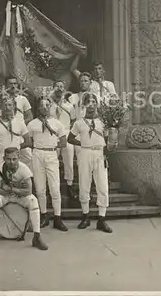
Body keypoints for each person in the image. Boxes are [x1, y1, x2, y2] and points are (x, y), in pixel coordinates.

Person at [0, 147, 48, 251]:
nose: (11, 162)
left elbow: (28, 191)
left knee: (33, 201)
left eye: (14, 159)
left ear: (19, 157)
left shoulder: (24, 169)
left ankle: (37, 237)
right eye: (8, 159)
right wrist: (18, 188)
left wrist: (12, 189)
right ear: (4, 158)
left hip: (17, 195)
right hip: (6, 196)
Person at [67, 92, 112, 233]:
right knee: (84, 184)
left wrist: (106, 153)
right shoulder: (79, 123)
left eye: (93, 102)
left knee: (102, 186)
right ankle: (85, 216)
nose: (91, 105)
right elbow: (69, 138)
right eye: (88, 102)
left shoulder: (103, 122)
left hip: (99, 153)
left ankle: (101, 219)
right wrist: (83, 143)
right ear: (84, 105)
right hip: (85, 153)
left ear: (97, 104)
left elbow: (108, 140)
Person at [28, 97, 68, 231]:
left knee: (55, 189)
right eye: (42, 105)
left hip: (51, 154)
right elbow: (28, 140)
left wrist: (52, 146)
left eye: (47, 105)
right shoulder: (32, 124)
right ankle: (44, 216)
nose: (44, 108)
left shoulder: (57, 123)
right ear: (38, 108)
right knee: (40, 189)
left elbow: (63, 141)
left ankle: (58, 218)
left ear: (50, 107)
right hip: (37, 154)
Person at [0, 76, 33, 168]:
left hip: (21, 132)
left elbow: (30, 116)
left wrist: (20, 126)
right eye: (10, 84)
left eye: (15, 83)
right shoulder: (2, 101)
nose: (13, 86)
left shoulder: (23, 99)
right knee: (7, 156)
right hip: (6, 132)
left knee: (28, 157)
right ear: (6, 85)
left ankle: (25, 178)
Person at [0, 94, 31, 173]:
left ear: (14, 106)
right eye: (4, 105)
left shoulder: (20, 123)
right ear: (0, 107)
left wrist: (15, 148)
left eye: (9, 105)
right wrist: (2, 147)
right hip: (0, 157)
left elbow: (28, 142)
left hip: (15, 158)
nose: (7, 108)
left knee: (16, 180)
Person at [50, 80, 77, 199]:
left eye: (61, 86)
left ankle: (69, 185)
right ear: (53, 88)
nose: (59, 89)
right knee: (52, 161)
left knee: (69, 161)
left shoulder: (69, 106)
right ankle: (51, 185)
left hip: (66, 133)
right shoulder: (48, 104)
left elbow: (74, 120)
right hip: (52, 134)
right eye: (57, 86)